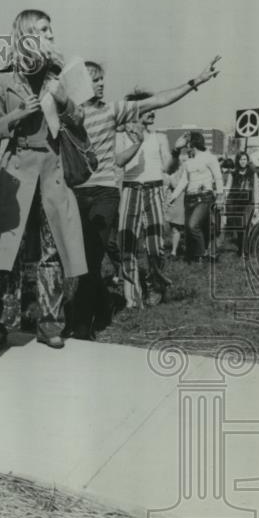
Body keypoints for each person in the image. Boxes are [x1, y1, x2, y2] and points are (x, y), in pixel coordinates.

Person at [66, 56, 220, 338]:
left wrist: (195, 82)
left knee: (93, 256)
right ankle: (102, 305)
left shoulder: (114, 110)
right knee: (83, 260)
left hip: (105, 192)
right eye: (94, 80)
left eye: (102, 80)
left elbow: (157, 101)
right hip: (75, 191)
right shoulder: (69, 114)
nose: (101, 84)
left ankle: (81, 324)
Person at [0, 10, 87, 350]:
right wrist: (17, 114)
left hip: (53, 171)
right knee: (6, 254)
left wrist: (64, 100)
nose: (51, 35)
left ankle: (50, 324)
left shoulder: (59, 76)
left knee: (51, 250)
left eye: (51, 29)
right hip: (16, 171)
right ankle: (1, 324)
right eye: (43, 30)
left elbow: (80, 120)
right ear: (25, 34)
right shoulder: (2, 80)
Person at [114, 91, 173, 307]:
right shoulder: (120, 136)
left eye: (154, 108)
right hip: (131, 190)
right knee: (127, 245)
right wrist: (137, 142)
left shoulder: (160, 137)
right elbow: (119, 160)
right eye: (147, 108)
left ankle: (156, 287)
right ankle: (132, 297)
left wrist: (174, 155)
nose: (153, 111)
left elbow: (166, 166)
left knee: (156, 245)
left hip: (154, 190)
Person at [166, 131, 225, 262]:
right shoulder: (188, 160)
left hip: (205, 197)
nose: (186, 145)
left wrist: (220, 197)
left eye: (187, 141)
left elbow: (218, 177)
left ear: (194, 142)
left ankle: (202, 255)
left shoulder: (209, 157)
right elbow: (184, 181)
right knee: (192, 228)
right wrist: (173, 197)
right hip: (190, 198)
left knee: (193, 226)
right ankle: (202, 254)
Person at [223, 151, 259, 257]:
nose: (243, 162)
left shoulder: (252, 173)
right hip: (236, 203)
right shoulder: (233, 173)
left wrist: (257, 207)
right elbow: (228, 188)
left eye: (244, 159)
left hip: (249, 203)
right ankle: (241, 249)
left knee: (246, 226)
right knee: (240, 227)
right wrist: (225, 203)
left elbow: (256, 190)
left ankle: (246, 250)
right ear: (237, 161)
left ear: (247, 160)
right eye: (240, 159)